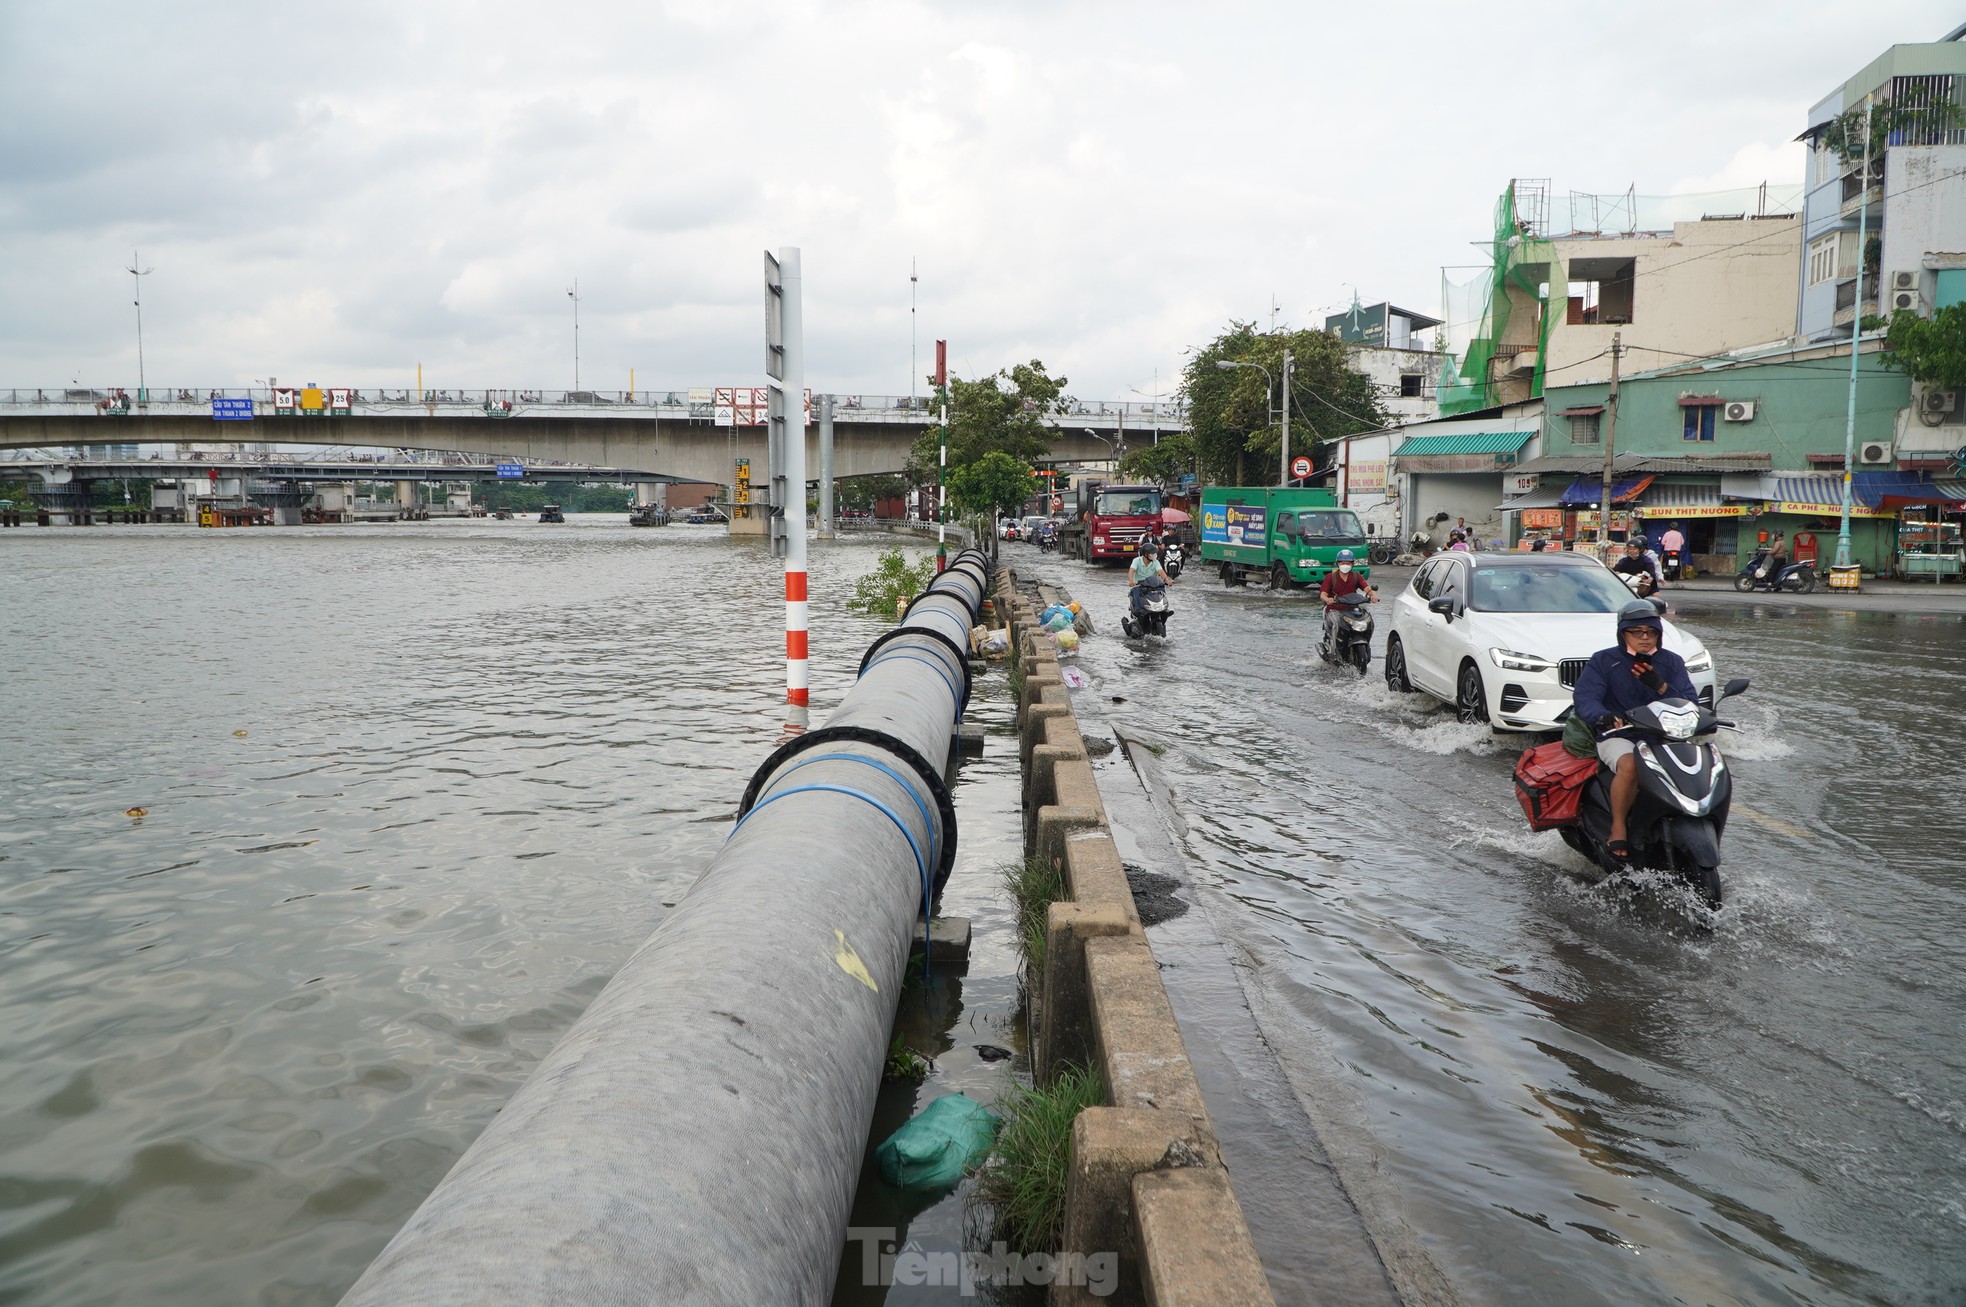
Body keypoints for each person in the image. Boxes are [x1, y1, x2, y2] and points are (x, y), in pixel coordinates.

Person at [1572, 601, 1698, 862]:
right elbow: (1586, 698)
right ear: (1623, 634)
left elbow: (1689, 703)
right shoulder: (1604, 661)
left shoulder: (1672, 662)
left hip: (1664, 738)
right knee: (1630, 764)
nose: (1644, 637)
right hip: (1620, 736)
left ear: (1658, 634)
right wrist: (1604, 717)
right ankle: (1619, 826)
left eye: (1650, 632)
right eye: (1636, 631)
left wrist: (1661, 686)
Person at [1318, 548, 1377, 652]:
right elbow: (1323, 594)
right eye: (1343, 563)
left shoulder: (1356, 576)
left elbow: (1366, 588)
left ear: (1352, 564)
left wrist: (1373, 595)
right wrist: (1328, 599)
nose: (1345, 565)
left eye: (1348, 563)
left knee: (1368, 621)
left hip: (1351, 609)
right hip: (1334, 609)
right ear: (1338, 563)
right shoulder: (1330, 577)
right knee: (1336, 623)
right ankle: (1334, 649)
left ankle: (1366, 643)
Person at [1128, 539, 1172, 614]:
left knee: (1162, 589)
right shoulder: (1136, 560)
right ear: (1145, 554)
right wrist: (1131, 581)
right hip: (1140, 585)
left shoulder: (1155, 562)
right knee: (1135, 591)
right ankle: (1138, 611)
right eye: (1151, 553)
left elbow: (1160, 571)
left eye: (1154, 553)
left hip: (1153, 584)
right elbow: (1132, 571)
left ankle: (1164, 608)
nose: (1154, 555)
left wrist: (1166, 579)